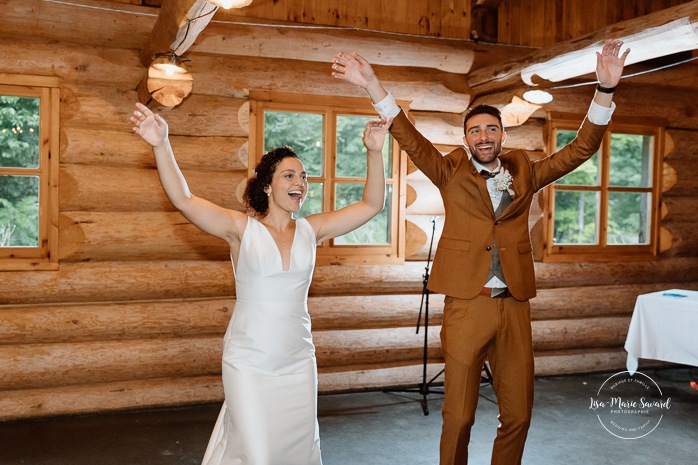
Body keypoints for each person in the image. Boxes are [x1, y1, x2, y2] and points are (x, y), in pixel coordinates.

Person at [331, 39, 629, 465]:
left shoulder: (525, 169)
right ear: (465, 138)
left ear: (503, 136)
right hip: (467, 305)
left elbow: (580, 150)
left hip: (514, 305)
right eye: (475, 130)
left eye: (491, 129)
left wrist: (605, 91)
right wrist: (373, 85)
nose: (483, 136)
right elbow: (409, 137)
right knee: (459, 415)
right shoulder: (449, 169)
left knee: (519, 414)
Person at [130, 102, 391, 465]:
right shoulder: (241, 231)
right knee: (256, 450)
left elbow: (372, 204)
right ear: (267, 186)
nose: (299, 182)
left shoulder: (311, 231)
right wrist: (161, 144)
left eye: (303, 176)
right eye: (289, 175)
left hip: (298, 359)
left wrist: (374, 152)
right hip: (249, 361)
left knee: (296, 449)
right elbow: (184, 200)